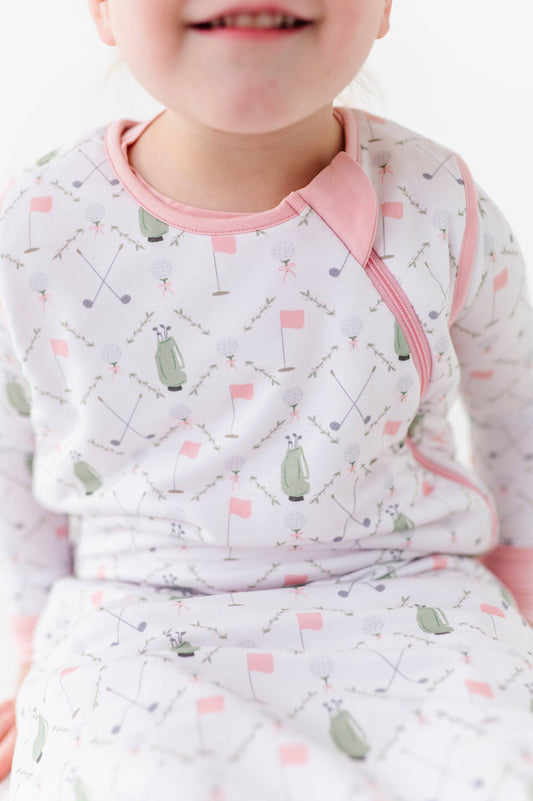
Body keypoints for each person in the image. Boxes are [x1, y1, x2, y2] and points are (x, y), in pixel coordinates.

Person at [1, 1, 533, 798]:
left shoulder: (436, 201)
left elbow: (515, 404)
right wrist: (29, 659)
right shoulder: (37, 226)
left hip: (413, 591)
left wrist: (521, 594)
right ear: (102, 9)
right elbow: (12, 456)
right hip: (134, 619)